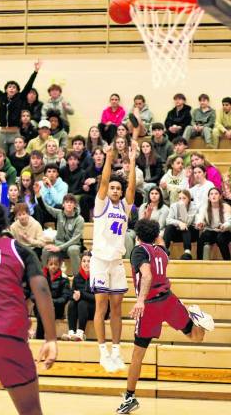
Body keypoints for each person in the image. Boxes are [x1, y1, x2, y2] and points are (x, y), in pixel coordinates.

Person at [116, 219, 214, 414]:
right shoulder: (162, 251)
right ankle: (199, 318)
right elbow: (158, 242)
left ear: (137, 237)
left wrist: (140, 300)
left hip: (151, 306)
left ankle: (129, 397)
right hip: (168, 300)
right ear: (155, 235)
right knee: (196, 336)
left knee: (137, 356)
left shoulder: (138, 251)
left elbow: (147, 275)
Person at [0, 198, 57, 414]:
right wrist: (50, 338)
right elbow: (41, 290)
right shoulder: (19, 250)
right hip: (9, 335)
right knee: (31, 411)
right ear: (4, 225)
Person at [90, 141, 137, 373]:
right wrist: (109, 156)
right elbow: (106, 179)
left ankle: (116, 352)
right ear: (107, 190)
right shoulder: (101, 204)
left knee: (117, 307)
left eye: (119, 188)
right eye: (113, 188)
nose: (116, 191)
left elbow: (132, 190)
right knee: (102, 306)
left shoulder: (124, 208)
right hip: (99, 260)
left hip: (117, 262)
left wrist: (133, 159)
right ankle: (102, 352)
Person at [0, 58, 41, 155]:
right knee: (0, 156)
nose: (12, 89)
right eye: (9, 87)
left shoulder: (20, 98)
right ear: (6, 90)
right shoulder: (1, 97)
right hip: (2, 133)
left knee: (15, 156)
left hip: (15, 133)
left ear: (17, 90)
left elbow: (28, 85)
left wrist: (36, 71)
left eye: (14, 87)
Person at [35, 186, 84, 275]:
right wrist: (38, 194)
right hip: (59, 244)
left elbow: (75, 239)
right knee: (46, 249)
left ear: (75, 205)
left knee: (73, 250)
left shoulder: (79, 219)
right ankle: (44, 276)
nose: (69, 204)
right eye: (67, 202)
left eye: (71, 202)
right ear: (63, 205)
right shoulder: (59, 213)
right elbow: (45, 207)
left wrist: (59, 248)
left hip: (73, 246)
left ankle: (77, 279)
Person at [32, 254, 70, 339]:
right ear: (47, 265)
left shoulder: (64, 279)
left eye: (56, 264)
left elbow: (65, 298)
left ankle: (39, 337)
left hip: (57, 309)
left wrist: (51, 301)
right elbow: (32, 295)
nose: (53, 266)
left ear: (59, 265)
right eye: (51, 264)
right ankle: (40, 338)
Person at [62, 251, 96, 342]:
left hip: (94, 309)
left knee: (82, 303)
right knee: (72, 303)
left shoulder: (97, 277)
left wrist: (82, 294)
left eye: (89, 261)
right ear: (81, 263)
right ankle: (71, 332)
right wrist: (74, 296)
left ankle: (81, 332)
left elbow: (97, 298)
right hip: (81, 311)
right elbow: (71, 293)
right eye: (84, 261)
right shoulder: (77, 277)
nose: (86, 264)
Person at [196, 188, 231, 260]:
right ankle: (199, 261)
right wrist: (200, 223)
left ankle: (227, 261)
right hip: (212, 231)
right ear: (209, 197)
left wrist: (223, 226)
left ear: (220, 196)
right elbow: (200, 218)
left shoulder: (226, 206)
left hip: (225, 231)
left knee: (220, 238)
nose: (213, 195)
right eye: (211, 194)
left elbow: (229, 222)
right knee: (202, 237)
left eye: (216, 193)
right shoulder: (205, 207)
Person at [163, 190, 199, 260]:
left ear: (189, 199)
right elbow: (168, 220)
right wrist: (179, 223)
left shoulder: (194, 207)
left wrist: (182, 208)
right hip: (177, 233)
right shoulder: (174, 206)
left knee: (186, 228)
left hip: (190, 235)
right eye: (179, 198)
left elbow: (187, 222)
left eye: (184, 198)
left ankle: (187, 252)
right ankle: (164, 250)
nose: (181, 200)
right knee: (169, 227)